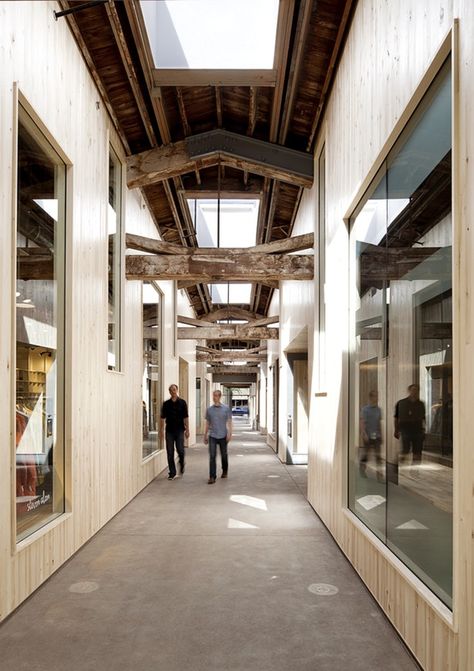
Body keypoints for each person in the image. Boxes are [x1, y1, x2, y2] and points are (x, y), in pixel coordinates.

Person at [160, 384, 189, 480]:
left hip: (180, 430)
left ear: (177, 390)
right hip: (169, 431)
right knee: (170, 452)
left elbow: (186, 417)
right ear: (169, 392)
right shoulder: (166, 404)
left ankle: (181, 462)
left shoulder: (182, 403)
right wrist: (161, 430)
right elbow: (162, 418)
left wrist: (187, 430)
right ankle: (172, 473)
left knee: (180, 449)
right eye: (171, 390)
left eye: (174, 389)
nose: (173, 391)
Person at [204, 390, 232, 484]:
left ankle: (225, 470)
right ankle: (212, 477)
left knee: (224, 455)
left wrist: (229, 433)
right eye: (213, 395)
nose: (214, 397)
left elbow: (229, 422)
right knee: (212, 456)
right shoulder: (209, 409)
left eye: (216, 395)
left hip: (223, 435)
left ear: (220, 397)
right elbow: (208, 422)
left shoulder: (226, 408)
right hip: (212, 435)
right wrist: (205, 435)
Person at [394, 384, 426, 464]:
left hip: (418, 430)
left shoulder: (421, 404)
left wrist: (424, 430)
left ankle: (415, 471)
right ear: (409, 391)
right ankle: (396, 462)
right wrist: (396, 430)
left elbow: (423, 418)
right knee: (405, 450)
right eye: (413, 390)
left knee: (418, 451)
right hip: (406, 430)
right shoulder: (401, 403)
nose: (414, 392)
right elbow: (396, 418)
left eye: (416, 390)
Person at [359, 390, 383, 479]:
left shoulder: (379, 410)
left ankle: (379, 474)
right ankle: (362, 468)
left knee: (378, 456)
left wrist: (381, 435)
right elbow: (362, 422)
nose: (377, 398)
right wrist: (363, 433)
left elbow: (379, 423)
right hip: (368, 435)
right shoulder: (365, 409)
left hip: (377, 436)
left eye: (377, 396)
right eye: (375, 396)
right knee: (366, 454)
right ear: (371, 397)